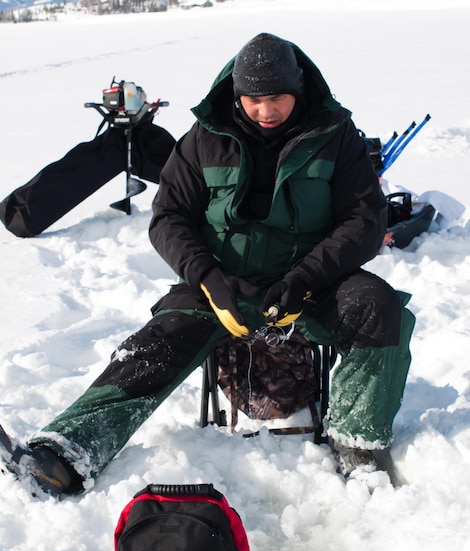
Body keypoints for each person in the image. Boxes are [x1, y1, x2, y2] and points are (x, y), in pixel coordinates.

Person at [7, 33, 415, 496]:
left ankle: (360, 447)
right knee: (153, 346)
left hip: (312, 283)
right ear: (237, 95)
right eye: (254, 99)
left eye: (277, 98)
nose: (266, 111)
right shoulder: (203, 138)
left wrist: (306, 279)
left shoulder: (335, 135)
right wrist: (207, 276)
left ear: (298, 91)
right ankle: (64, 454)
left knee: (380, 308)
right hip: (221, 285)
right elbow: (168, 218)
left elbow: (364, 218)